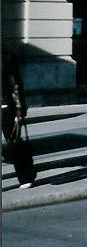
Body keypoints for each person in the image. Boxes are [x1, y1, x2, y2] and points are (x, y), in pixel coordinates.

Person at [2, 50, 35, 188]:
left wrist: (19, 109)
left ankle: (25, 176)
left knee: (14, 142)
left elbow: (16, 85)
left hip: (6, 107)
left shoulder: (7, 57)